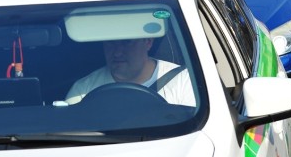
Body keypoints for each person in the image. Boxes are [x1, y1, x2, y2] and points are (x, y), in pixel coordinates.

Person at [65, 37, 195, 106]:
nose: (117, 52)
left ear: (148, 42)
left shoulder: (183, 81)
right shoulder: (83, 91)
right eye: (111, 43)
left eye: (126, 42)